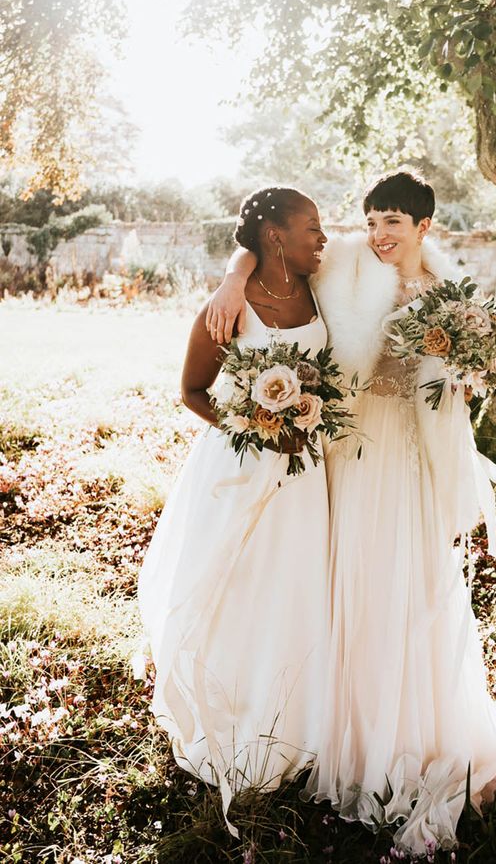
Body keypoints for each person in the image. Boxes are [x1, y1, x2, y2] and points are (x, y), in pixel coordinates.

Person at [206, 169, 496, 855]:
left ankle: (403, 733)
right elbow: (261, 237)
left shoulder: (450, 300)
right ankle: (337, 730)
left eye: (394, 220)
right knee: (340, 588)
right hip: (340, 451)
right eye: (373, 218)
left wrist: (465, 377)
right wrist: (232, 279)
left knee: (406, 591)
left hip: (404, 461)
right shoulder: (346, 265)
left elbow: (451, 393)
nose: (380, 233)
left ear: (425, 226)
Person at [137, 186, 331, 836]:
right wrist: (255, 423)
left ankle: (302, 715)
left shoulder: (321, 282)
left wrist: (237, 264)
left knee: (299, 589)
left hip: (311, 472)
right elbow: (192, 389)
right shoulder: (229, 308)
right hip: (241, 467)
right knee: (237, 592)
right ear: (275, 235)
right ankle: (237, 715)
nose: (321, 237)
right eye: (310, 226)